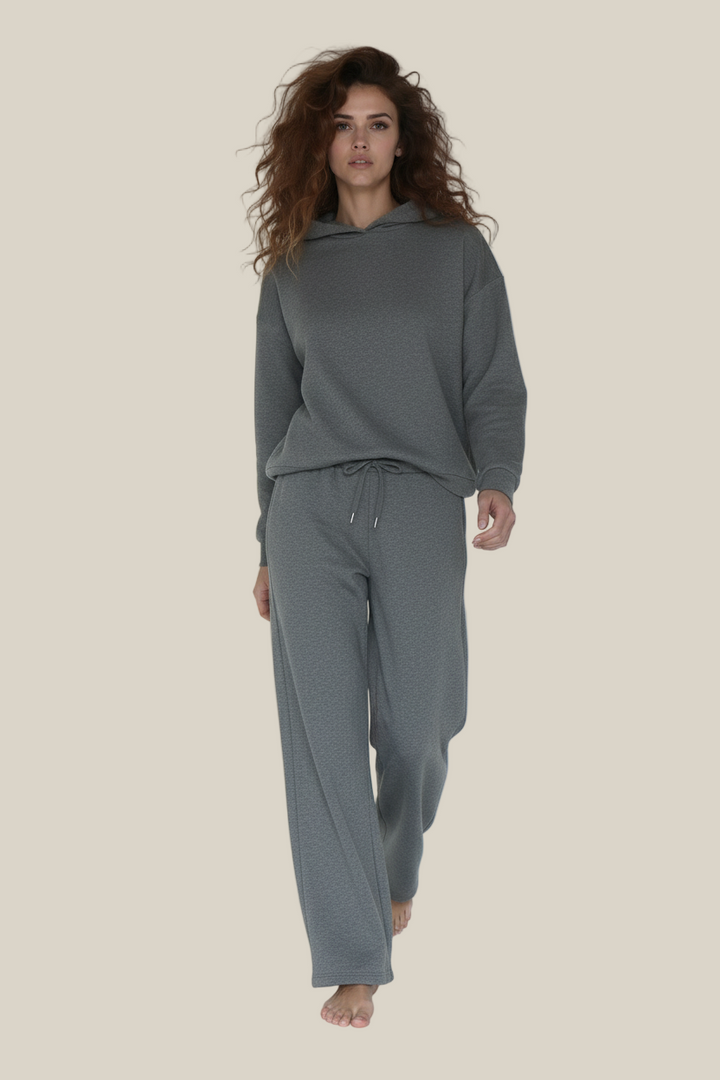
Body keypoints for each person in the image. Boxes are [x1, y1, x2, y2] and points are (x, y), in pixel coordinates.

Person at [245, 46, 527, 1028]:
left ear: (403, 140)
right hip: (308, 510)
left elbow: (493, 377)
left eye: (377, 124)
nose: (359, 142)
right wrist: (266, 542)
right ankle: (354, 958)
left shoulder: (455, 252)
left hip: (416, 500)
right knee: (323, 738)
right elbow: (271, 409)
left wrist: (499, 476)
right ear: (317, 142)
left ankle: (395, 863)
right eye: (341, 125)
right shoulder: (291, 265)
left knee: (417, 725)